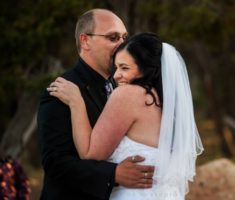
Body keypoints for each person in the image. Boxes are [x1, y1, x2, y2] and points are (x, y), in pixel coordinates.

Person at [47, 32, 204, 200]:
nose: (115, 75)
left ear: (145, 68)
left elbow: (90, 154)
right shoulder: (167, 103)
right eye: (116, 67)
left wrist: (76, 102)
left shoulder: (127, 95)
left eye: (124, 68)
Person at [37, 9, 154, 200]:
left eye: (125, 37)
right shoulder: (61, 91)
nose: (122, 45)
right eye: (113, 37)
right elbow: (56, 163)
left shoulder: (124, 86)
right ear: (85, 41)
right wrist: (113, 174)